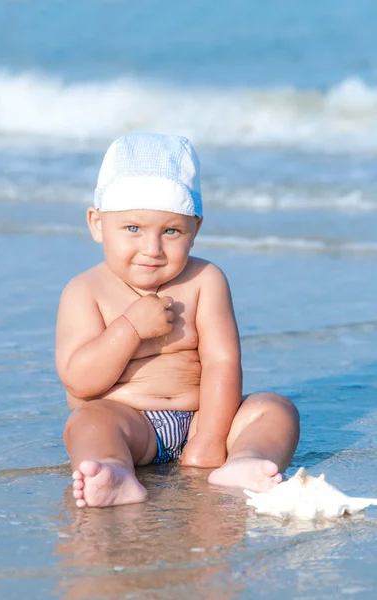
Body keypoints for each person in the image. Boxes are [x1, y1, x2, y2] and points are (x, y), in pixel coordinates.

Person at [55, 133, 300, 508]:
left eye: (171, 231)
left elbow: (222, 362)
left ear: (195, 230)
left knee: (276, 409)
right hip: (129, 424)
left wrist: (211, 439)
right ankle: (114, 471)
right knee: (88, 422)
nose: (152, 249)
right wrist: (130, 329)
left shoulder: (205, 280)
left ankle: (245, 460)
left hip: (203, 417)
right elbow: (79, 379)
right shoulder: (85, 290)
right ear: (97, 223)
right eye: (132, 229)